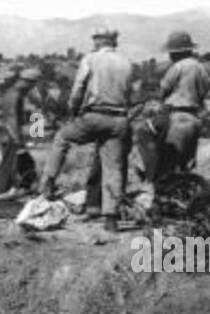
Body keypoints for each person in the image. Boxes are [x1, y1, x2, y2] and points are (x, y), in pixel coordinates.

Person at [41, 28, 134, 232]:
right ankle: (111, 218)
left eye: (95, 39)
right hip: (119, 119)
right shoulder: (126, 62)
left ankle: (47, 182)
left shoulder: (90, 59)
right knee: (113, 168)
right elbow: (129, 93)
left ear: (99, 41)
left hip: (94, 115)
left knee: (62, 138)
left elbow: (78, 90)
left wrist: (73, 111)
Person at [136, 31, 209, 191]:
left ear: (177, 53)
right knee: (184, 161)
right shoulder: (202, 67)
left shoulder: (177, 67)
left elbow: (163, 91)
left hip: (175, 114)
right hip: (194, 117)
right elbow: (204, 92)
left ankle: (151, 175)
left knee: (143, 132)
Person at [0, 68, 43, 195]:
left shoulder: (14, 94)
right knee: (9, 167)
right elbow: (11, 120)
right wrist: (18, 142)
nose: (31, 88)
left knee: (20, 165)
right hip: (9, 135)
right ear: (27, 82)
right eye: (32, 85)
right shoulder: (14, 95)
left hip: (8, 134)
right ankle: (0, 195)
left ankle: (12, 192)